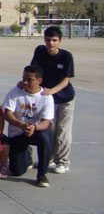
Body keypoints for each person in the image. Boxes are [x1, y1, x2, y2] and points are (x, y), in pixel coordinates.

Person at [31, 26, 75, 174]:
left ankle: (62, 161)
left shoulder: (66, 57)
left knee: (62, 131)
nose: (51, 43)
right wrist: (25, 83)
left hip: (64, 99)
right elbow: (33, 71)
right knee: (48, 130)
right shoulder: (40, 51)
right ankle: (47, 158)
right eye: (48, 40)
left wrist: (51, 91)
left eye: (54, 40)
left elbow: (65, 81)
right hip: (47, 99)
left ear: (59, 41)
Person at [3, 65, 54, 188]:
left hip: (35, 131)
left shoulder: (46, 97)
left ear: (39, 81)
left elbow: (46, 122)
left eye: (29, 80)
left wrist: (34, 128)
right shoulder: (15, 92)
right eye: (24, 78)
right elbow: (7, 114)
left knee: (45, 137)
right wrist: (21, 125)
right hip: (18, 133)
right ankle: (26, 155)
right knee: (16, 171)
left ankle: (42, 173)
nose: (25, 82)